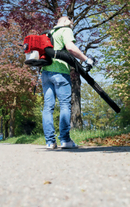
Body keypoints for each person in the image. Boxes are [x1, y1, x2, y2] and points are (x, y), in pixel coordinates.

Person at [41, 16, 95, 149]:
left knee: (48, 108)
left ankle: (50, 142)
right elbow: (70, 48)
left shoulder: (48, 33)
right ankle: (65, 140)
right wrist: (85, 59)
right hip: (59, 72)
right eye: (71, 22)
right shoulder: (65, 30)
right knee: (65, 105)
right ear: (64, 21)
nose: (72, 25)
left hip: (45, 73)